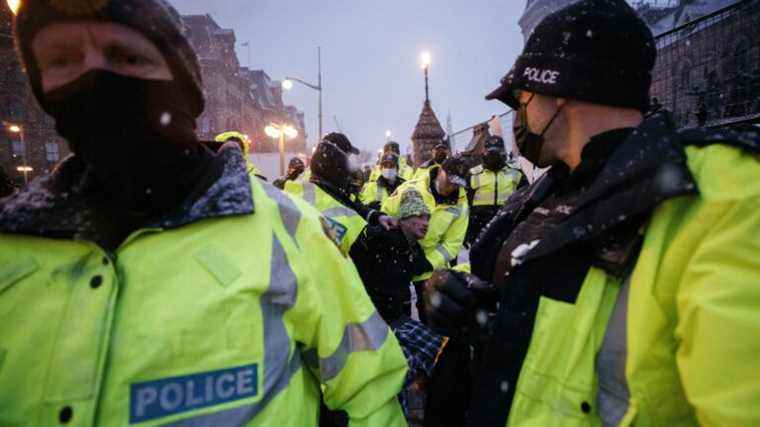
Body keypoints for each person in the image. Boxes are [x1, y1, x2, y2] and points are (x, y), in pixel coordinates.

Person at [0, 2, 408, 426]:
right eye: (63, 60)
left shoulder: (282, 226)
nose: (96, 80)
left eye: (127, 56)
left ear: (183, 84)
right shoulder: (11, 248)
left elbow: (371, 394)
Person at [424, 1, 760, 426]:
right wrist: (459, 299)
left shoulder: (724, 194)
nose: (518, 116)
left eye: (522, 98)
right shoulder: (546, 189)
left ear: (558, 92)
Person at [382, 156, 469, 322]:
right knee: (399, 313)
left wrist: (427, 262)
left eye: (457, 184)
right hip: (399, 260)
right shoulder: (410, 188)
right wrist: (397, 247)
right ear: (440, 170)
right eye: (449, 180)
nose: (451, 187)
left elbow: (452, 244)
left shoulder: (461, 205)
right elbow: (387, 215)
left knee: (432, 317)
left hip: (430, 268)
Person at [284, 132, 395, 255]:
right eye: (348, 160)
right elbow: (360, 251)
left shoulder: (308, 187)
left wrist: (375, 216)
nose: (350, 168)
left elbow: (350, 203)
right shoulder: (333, 215)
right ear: (338, 163)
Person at [465, 135, 525, 245]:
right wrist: (468, 231)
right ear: (485, 152)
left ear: (503, 152)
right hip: (480, 225)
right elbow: (465, 204)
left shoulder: (516, 172)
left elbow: (524, 200)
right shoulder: (473, 173)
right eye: (490, 151)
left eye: (497, 151)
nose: (493, 155)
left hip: (507, 223)